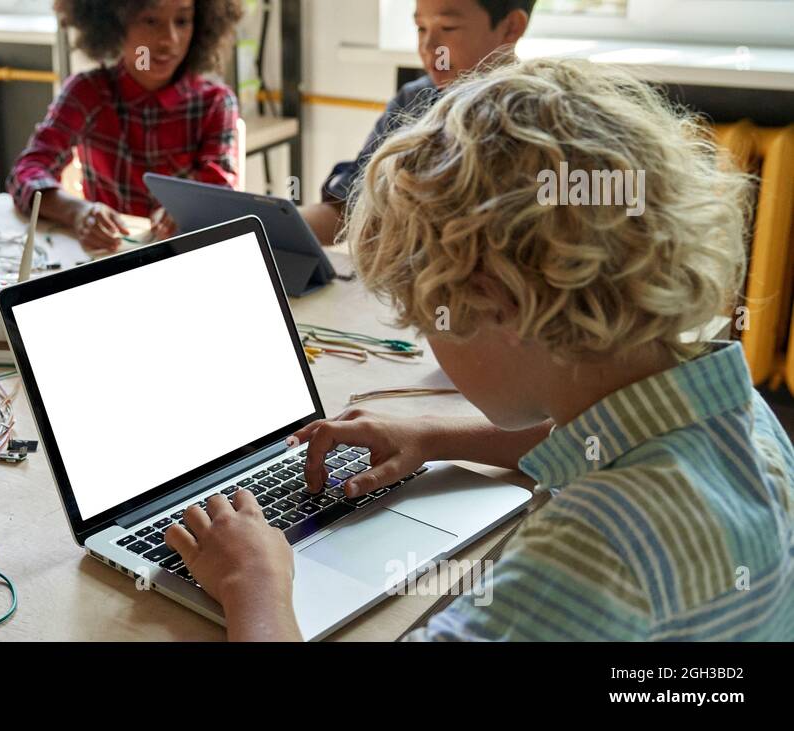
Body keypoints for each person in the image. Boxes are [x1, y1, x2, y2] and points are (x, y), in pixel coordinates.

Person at [165, 58, 794, 642]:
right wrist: (436, 435)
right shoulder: (743, 422)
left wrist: (256, 587)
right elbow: (612, 433)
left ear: (500, 304)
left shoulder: (581, 562)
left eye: (430, 319)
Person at [7, 0, 242, 253]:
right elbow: (27, 173)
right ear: (115, 23)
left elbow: (219, 194)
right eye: (151, 20)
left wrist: (185, 211)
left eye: (183, 21)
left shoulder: (215, 103)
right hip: (109, 258)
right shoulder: (88, 93)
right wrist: (78, 213)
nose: (169, 39)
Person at [300, 0, 532, 247]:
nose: (428, 46)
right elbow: (349, 209)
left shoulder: (540, 118)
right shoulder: (412, 102)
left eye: (448, 27)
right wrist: (271, 223)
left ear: (510, 28)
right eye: (420, 28)